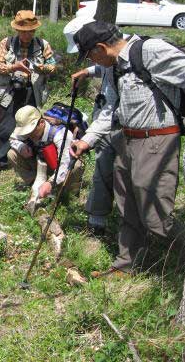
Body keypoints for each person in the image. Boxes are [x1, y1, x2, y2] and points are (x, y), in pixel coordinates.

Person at [70, 21, 185, 277]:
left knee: (156, 211)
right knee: (128, 207)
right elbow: (111, 108)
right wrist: (87, 140)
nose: (91, 60)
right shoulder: (114, 68)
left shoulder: (148, 50)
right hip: (126, 140)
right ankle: (127, 264)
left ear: (101, 48)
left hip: (157, 141)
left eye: (90, 54)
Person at [64, 17, 118, 235]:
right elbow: (102, 68)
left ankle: (100, 221)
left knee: (106, 168)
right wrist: (87, 71)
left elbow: (110, 110)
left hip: (114, 124)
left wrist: (87, 140)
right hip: (107, 121)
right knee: (103, 168)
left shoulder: (119, 62)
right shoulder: (108, 60)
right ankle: (98, 216)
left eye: (89, 54)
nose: (89, 59)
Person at [0, 10, 56, 175]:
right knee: (6, 126)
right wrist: (13, 67)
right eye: (24, 31)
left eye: (31, 31)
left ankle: (27, 157)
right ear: (17, 30)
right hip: (10, 90)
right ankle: (0, 159)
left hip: (32, 90)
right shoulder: (7, 43)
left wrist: (39, 67)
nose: (27, 35)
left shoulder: (42, 44)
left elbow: (52, 65)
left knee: (30, 125)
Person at [8, 105, 83, 200]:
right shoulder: (27, 131)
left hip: (59, 166)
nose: (28, 135)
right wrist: (21, 147)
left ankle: (68, 192)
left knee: (75, 165)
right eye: (26, 132)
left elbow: (65, 163)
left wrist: (51, 182)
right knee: (12, 154)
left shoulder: (61, 135)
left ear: (42, 123)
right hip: (40, 161)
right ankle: (34, 185)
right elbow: (12, 138)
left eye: (31, 131)